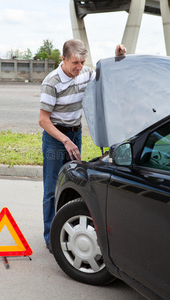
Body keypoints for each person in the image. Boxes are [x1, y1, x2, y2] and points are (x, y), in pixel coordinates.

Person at [39, 39, 126, 253]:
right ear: (63, 59)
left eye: (82, 62)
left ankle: (67, 225)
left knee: (74, 183)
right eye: (75, 63)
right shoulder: (52, 82)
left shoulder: (85, 73)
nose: (79, 68)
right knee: (52, 189)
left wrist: (117, 57)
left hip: (75, 134)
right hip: (56, 138)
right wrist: (65, 140)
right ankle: (51, 236)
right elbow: (43, 120)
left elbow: (107, 80)